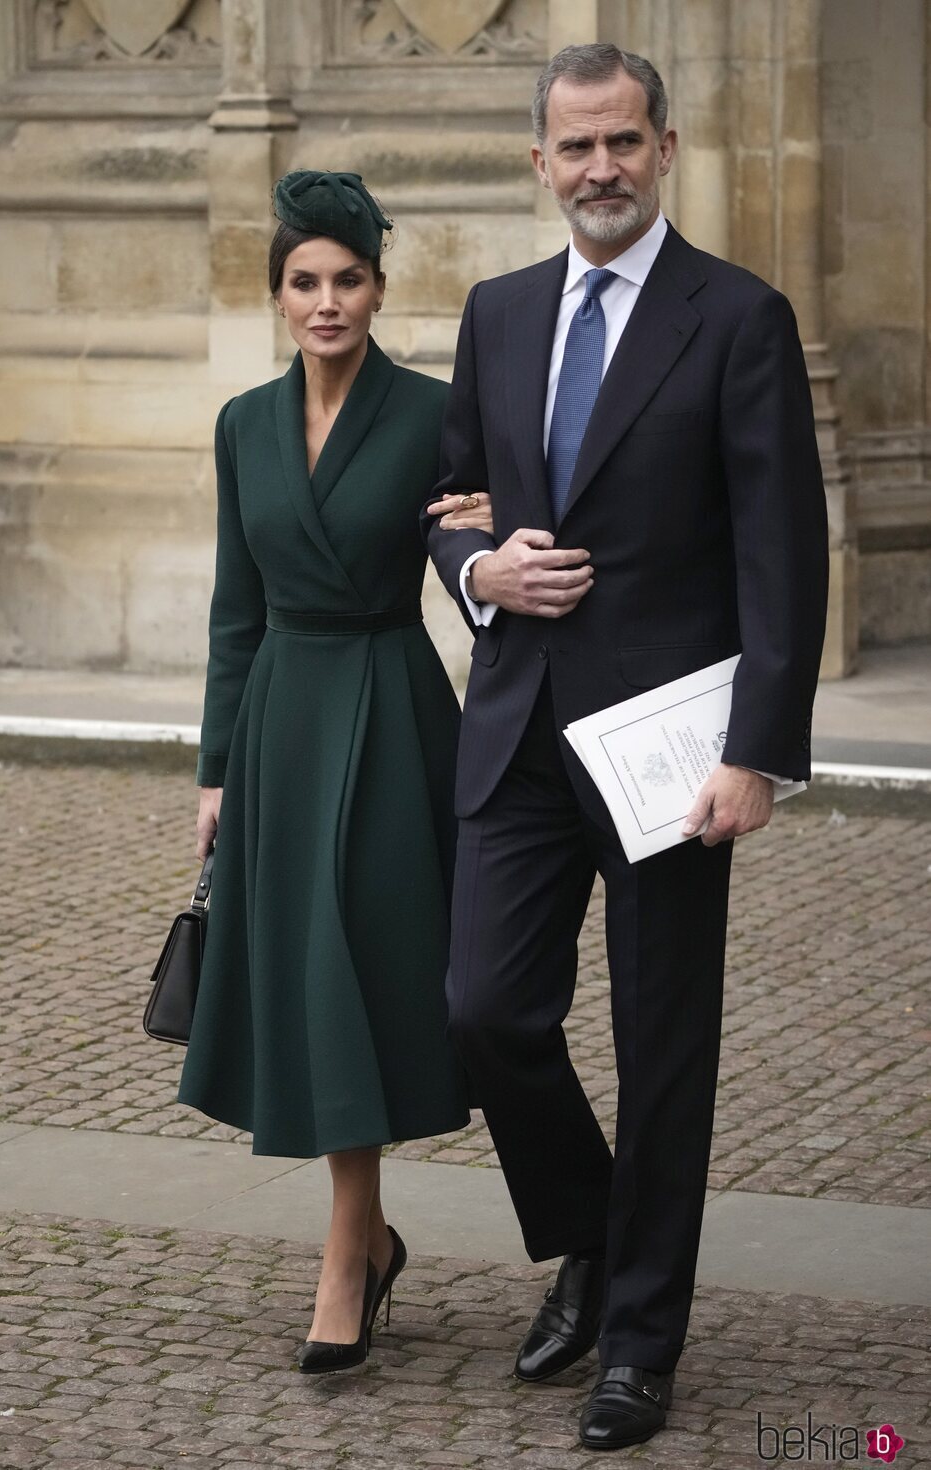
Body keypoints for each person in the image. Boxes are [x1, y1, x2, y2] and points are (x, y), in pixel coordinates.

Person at [423, 43, 829, 1452]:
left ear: (665, 149)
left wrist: (758, 751)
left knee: (665, 1050)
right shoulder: (499, 310)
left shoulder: (740, 318)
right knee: (484, 1009)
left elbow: (784, 553)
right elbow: (451, 493)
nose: (600, 168)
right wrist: (482, 569)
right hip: (521, 729)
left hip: (669, 752)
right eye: (574, 146)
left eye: (623, 143)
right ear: (538, 161)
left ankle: (640, 1341)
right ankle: (593, 1234)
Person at [178, 169, 489, 1375]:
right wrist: (215, 771)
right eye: (303, 281)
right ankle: (359, 1243)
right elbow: (231, 609)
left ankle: (348, 1253)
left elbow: (470, 549)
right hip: (278, 728)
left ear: (375, 285)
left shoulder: (433, 412)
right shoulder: (241, 424)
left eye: (346, 278)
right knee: (309, 987)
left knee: (369, 975)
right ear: (275, 296)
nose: (325, 301)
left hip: (395, 710)